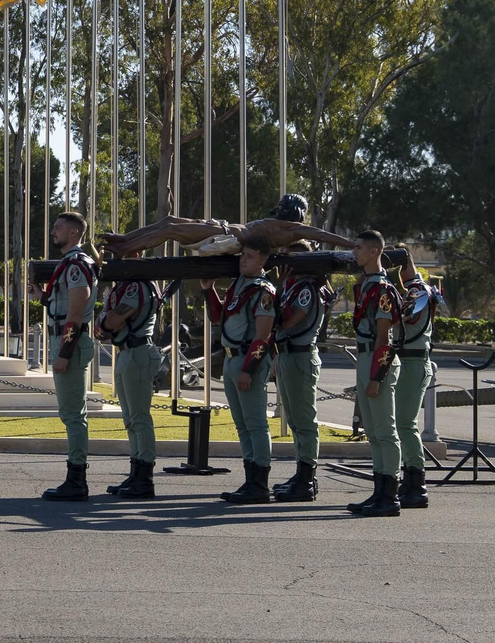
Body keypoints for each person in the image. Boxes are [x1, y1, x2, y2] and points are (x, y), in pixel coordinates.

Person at [208, 235, 277, 504]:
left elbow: (263, 335)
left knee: (256, 423)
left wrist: (248, 369)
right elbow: (219, 317)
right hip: (230, 358)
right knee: (242, 425)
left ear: (262, 260)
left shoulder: (263, 291)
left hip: (248, 359)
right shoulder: (239, 285)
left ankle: (260, 483)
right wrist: (208, 289)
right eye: (242, 255)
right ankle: (250, 479)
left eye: (249, 256)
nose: (243, 260)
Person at [37, 211, 97, 501]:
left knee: (73, 415)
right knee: (71, 413)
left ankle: (76, 481)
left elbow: (75, 312)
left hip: (69, 341)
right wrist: (41, 294)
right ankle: (75, 478)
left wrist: (64, 352)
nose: (53, 231)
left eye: (58, 227)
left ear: (74, 233)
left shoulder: (76, 265)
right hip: (64, 339)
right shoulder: (70, 263)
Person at [98, 192, 354, 259]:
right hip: (222, 229)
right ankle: (124, 239)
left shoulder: (292, 230)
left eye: (282, 204)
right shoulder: (280, 224)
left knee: (169, 230)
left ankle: (125, 248)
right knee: (168, 221)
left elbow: (321, 233)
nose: (277, 207)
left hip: (225, 236)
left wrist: (353, 244)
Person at [347, 230, 403, 517]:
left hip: (376, 359)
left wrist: (376, 376)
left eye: (358, 248)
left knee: (385, 430)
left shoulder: (382, 288)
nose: (353, 252)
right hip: (364, 356)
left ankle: (390, 495)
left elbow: (384, 337)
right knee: (374, 432)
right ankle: (378, 491)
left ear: (373, 252)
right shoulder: (366, 284)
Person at [270, 244, 332, 502]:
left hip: (301, 355)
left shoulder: (306, 288)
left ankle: (307, 478)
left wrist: (276, 289)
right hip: (287, 354)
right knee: (295, 420)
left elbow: (288, 320)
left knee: (305, 421)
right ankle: (302, 473)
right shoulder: (294, 286)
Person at [97, 275, 161, 498]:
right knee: (130, 419)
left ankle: (144, 477)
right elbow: (105, 322)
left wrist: (106, 320)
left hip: (138, 351)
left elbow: (111, 321)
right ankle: (136, 472)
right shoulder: (123, 286)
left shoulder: (137, 285)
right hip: (126, 351)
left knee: (139, 417)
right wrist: (106, 320)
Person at [395, 252, 444, 509]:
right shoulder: (412, 289)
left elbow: (400, 321)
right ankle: (408, 480)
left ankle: (416, 484)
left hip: (412, 361)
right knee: (400, 424)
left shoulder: (417, 291)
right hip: (406, 361)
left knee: (405, 424)